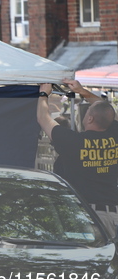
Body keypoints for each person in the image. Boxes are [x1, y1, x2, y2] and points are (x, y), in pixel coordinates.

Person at [37, 79, 118, 237]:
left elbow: (43, 119)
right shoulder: (114, 135)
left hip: (90, 217)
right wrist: (82, 91)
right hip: (115, 216)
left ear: (90, 119)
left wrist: (43, 93)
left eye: (87, 111)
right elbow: (105, 110)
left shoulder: (73, 142)